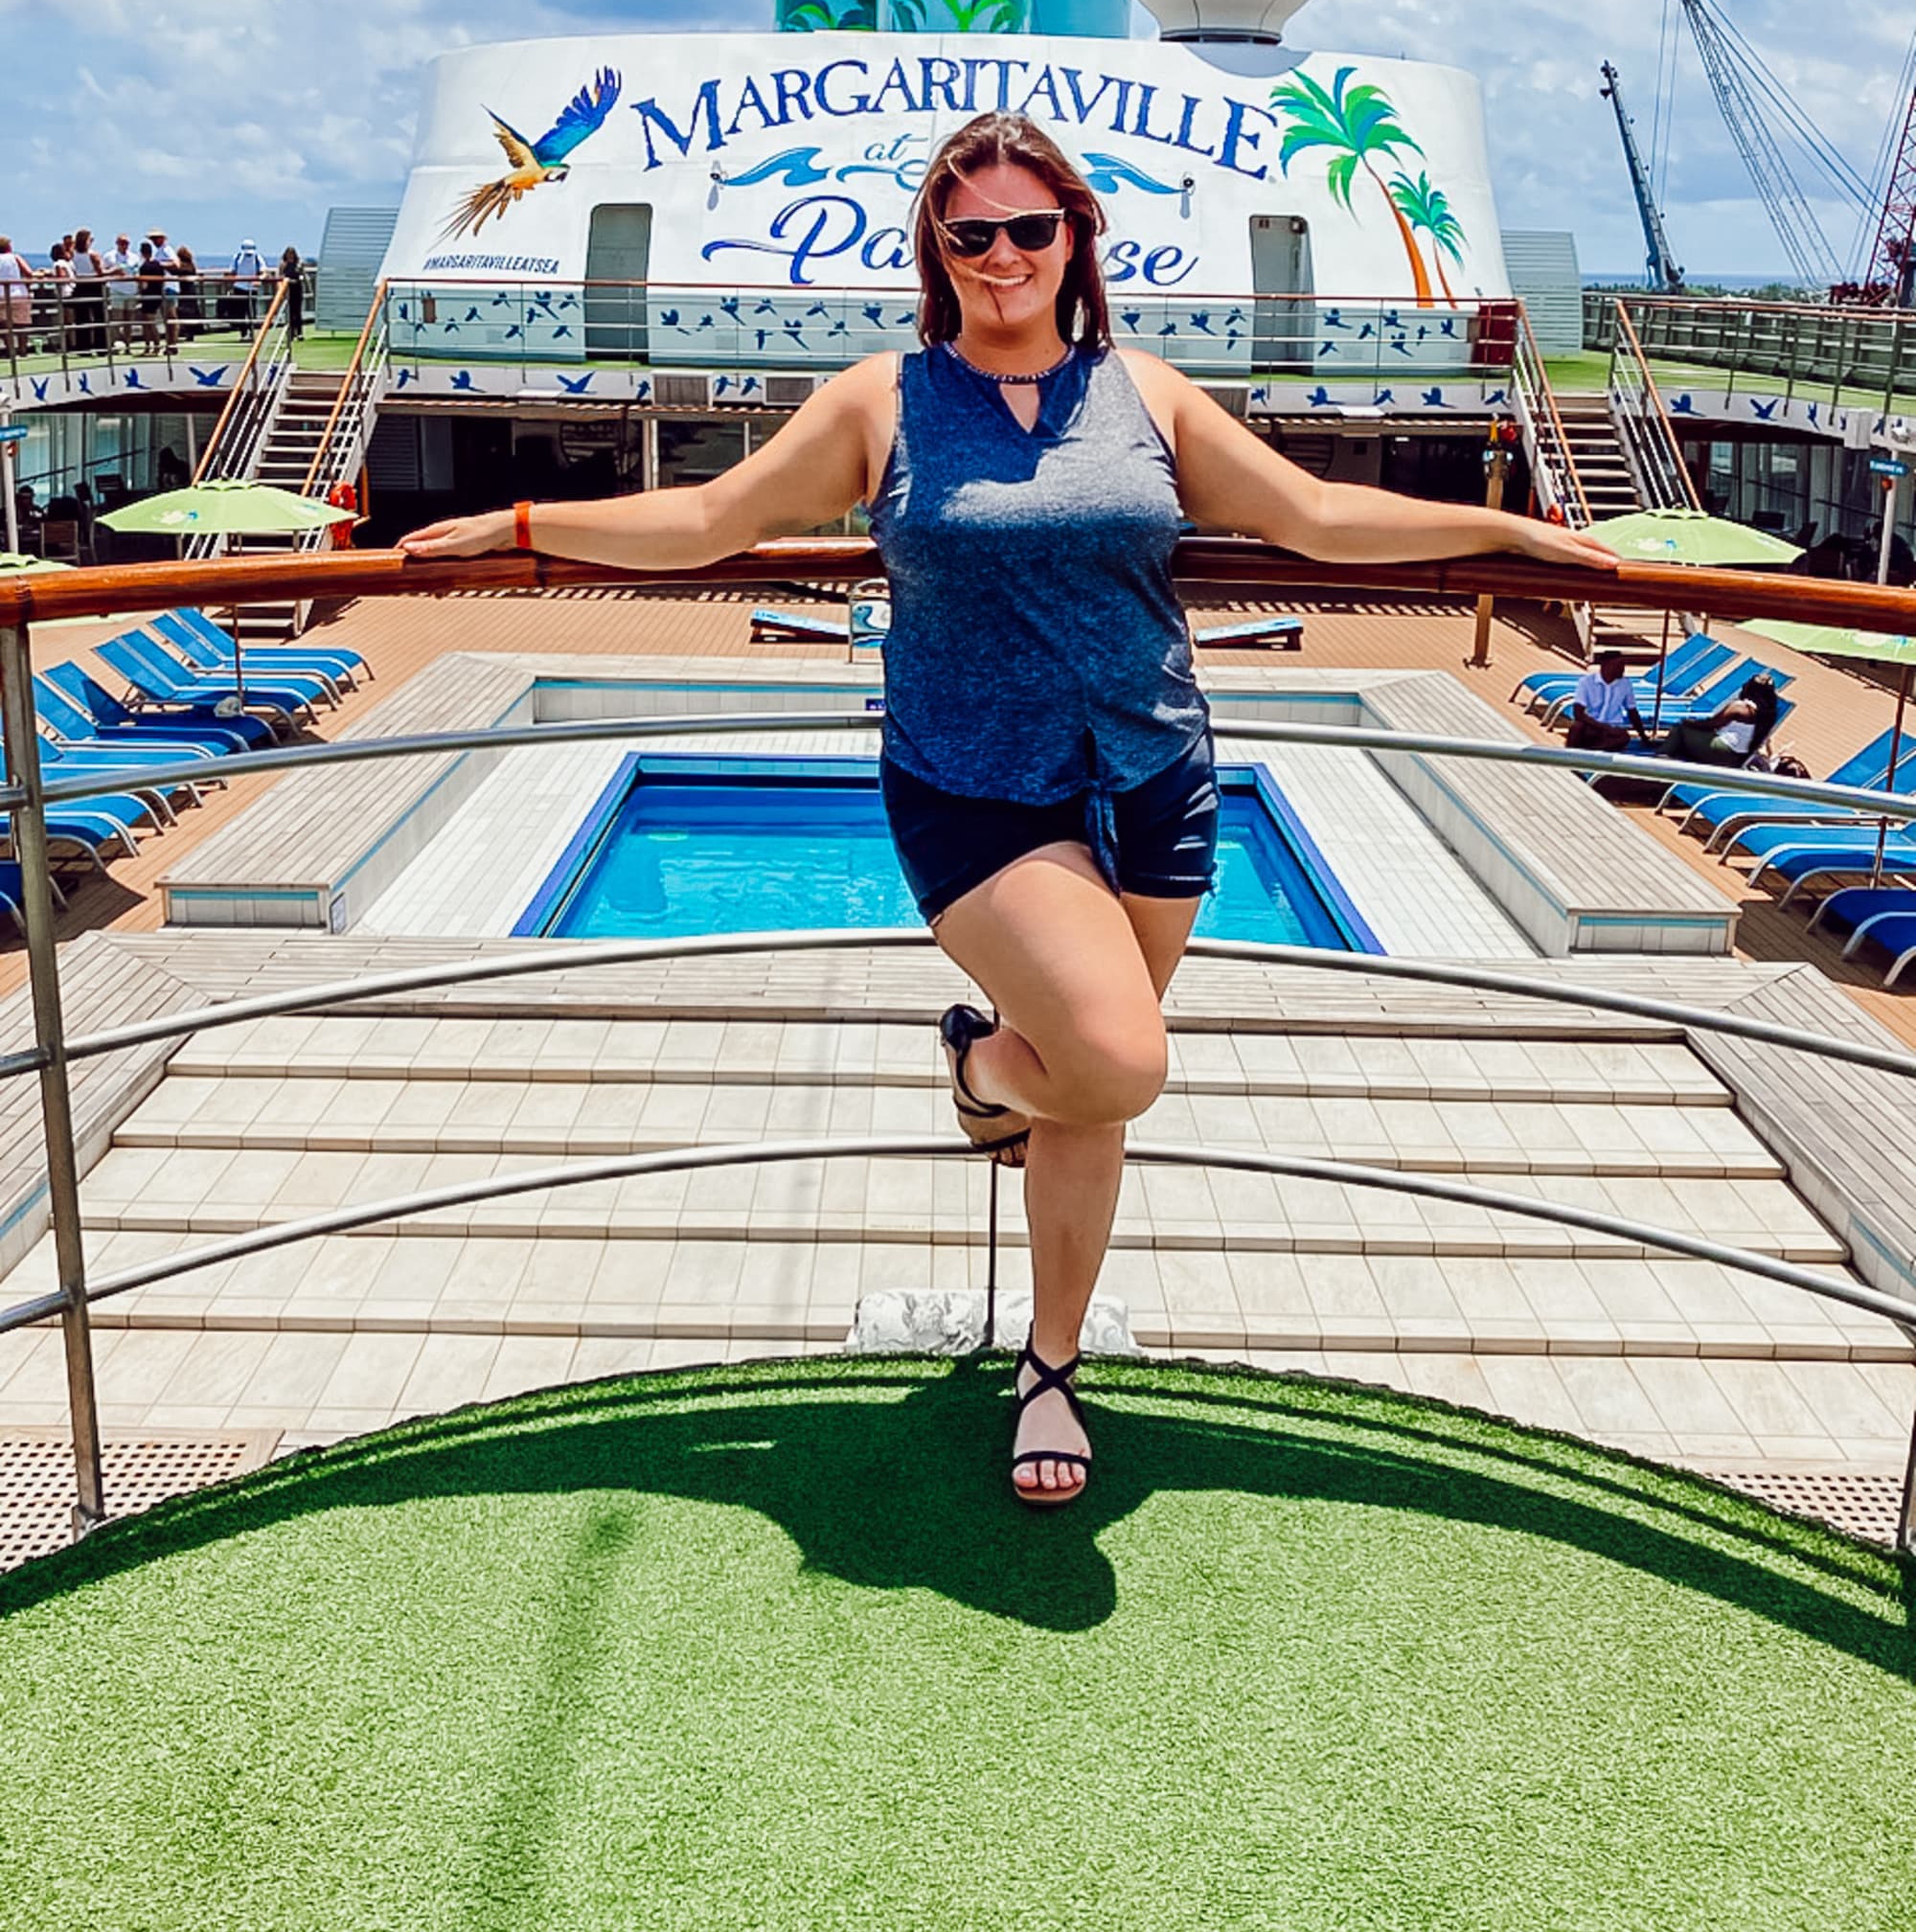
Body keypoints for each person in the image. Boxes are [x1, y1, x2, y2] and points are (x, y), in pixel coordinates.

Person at [398, 111, 1619, 1508]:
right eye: (967, 232)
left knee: (1092, 1098)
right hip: (975, 786)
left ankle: (1050, 1360)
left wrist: (1514, 532)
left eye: (1027, 228)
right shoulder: (886, 399)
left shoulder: (1144, 393)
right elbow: (714, 519)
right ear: (936, 248)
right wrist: (522, 525)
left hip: (1152, 773)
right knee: (1115, 1057)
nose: (999, 255)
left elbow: (1316, 518)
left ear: (1075, 238)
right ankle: (983, 1072)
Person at [1661, 673, 1784, 766]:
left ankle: (1661, 758)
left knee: (1680, 728)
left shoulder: (1740, 708)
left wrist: (1688, 722)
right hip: (1738, 757)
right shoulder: (1769, 713)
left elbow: (1712, 724)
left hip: (1723, 753)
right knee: (1693, 736)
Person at [1563, 649, 1648, 754]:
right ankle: (1571, 755)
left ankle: (1591, 751)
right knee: (1576, 727)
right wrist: (1604, 728)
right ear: (1606, 665)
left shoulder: (1625, 684)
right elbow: (1578, 713)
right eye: (1619, 665)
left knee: (1623, 737)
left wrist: (1643, 736)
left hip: (1613, 727)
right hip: (1592, 725)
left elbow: (1632, 711)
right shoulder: (1586, 682)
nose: (1623, 669)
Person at [67, 228, 109, 359]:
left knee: (82, 319)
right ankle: (101, 347)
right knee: (99, 317)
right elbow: (100, 272)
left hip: (80, 285)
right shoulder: (93, 255)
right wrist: (116, 271)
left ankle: (83, 348)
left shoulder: (73, 254)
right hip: (94, 285)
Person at [0, 238, 34, 353]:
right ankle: (23, 349)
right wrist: (28, 286)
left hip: (1, 295)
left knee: (4, 325)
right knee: (22, 323)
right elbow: (29, 273)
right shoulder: (15, 257)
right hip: (19, 293)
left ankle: (10, 350)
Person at [173, 244, 205, 344]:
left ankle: (185, 332)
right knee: (191, 312)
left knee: (183, 311)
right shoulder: (192, 265)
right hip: (191, 289)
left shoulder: (182, 266)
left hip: (183, 289)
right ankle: (190, 333)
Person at [280, 245, 306, 341]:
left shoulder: (298, 264)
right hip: (288, 289)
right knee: (289, 312)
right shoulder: (283, 264)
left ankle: (299, 332)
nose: (290, 256)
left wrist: (301, 278)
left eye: (292, 254)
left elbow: (302, 274)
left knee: (297, 311)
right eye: (289, 254)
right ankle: (291, 333)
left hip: (297, 288)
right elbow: (281, 276)